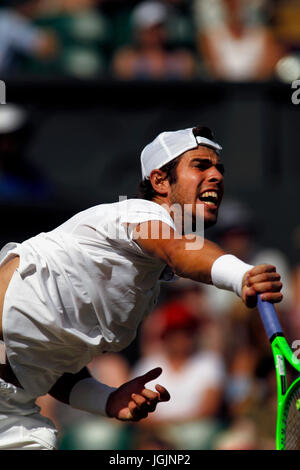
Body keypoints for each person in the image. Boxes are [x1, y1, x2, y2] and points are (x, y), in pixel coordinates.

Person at [0, 124, 282, 450]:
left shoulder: (143, 296)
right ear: (160, 181)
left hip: (15, 415)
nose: (217, 176)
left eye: (220, 168)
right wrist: (240, 275)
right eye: (201, 165)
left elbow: (54, 369)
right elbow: (180, 250)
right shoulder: (136, 214)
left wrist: (107, 399)